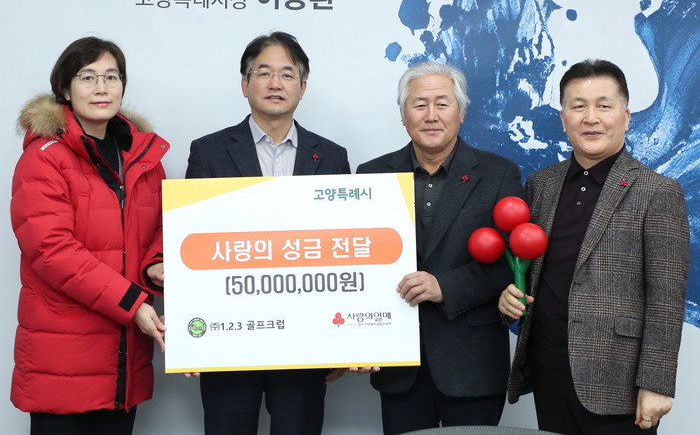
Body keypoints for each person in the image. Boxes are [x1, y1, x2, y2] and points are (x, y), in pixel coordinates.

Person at [499, 59, 690, 434]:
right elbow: (530, 270)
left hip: (617, 380)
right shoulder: (541, 185)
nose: (591, 118)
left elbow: (667, 297)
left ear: (626, 117)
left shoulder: (658, 192)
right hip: (548, 370)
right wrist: (510, 300)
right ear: (563, 118)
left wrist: (656, 383)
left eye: (604, 106)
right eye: (578, 106)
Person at [185, 31, 350, 435]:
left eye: (287, 74)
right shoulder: (208, 152)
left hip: (306, 341)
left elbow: (343, 251)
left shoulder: (331, 157)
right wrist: (194, 336)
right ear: (245, 84)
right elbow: (195, 244)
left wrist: (345, 340)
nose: (276, 83)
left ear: (302, 87)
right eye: (263, 72)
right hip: (228, 339)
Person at [10, 36, 169, 435]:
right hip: (62, 360)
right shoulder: (44, 159)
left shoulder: (143, 158)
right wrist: (133, 303)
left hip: (122, 361)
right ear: (65, 89)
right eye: (88, 77)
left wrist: (155, 264)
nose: (102, 87)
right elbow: (52, 251)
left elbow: (161, 227)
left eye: (112, 77)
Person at [355, 62, 524, 434]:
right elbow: (356, 262)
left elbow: (512, 263)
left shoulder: (499, 174)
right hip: (397, 362)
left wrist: (443, 286)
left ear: (461, 112)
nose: (431, 115)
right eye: (419, 105)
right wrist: (357, 338)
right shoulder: (371, 175)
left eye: (442, 104)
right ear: (403, 115)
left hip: (472, 361)